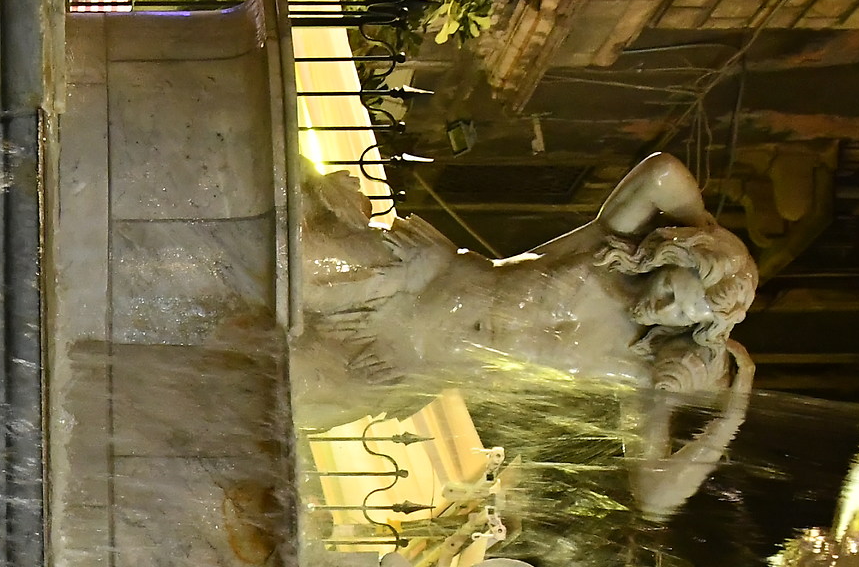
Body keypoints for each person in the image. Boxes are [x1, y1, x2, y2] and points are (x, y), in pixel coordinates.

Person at [291, 152, 758, 516]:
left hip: (395, 366)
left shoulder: (637, 375)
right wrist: (705, 229)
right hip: (403, 279)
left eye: (680, 315)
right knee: (276, 263)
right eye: (673, 289)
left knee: (272, 393)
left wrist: (728, 421)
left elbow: (655, 497)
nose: (663, 307)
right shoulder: (607, 245)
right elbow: (662, 174)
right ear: (668, 260)